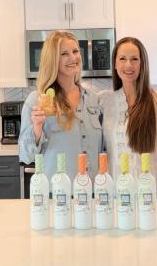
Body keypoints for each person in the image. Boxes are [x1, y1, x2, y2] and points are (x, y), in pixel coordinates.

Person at [98, 37, 157, 198]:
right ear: (115, 64)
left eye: (134, 59)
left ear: (142, 64)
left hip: (152, 194)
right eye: (122, 59)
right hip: (116, 195)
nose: (128, 65)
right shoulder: (104, 101)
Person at [19, 31, 102, 182]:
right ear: (52, 60)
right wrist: (37, 129)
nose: (73, 58)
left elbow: (103, 150)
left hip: (92, 194)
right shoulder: (37, 100)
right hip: (56, 195)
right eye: (64, 53)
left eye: (75, 51)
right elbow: (25, 156)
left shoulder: (93, 99)